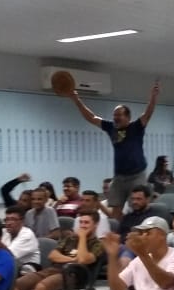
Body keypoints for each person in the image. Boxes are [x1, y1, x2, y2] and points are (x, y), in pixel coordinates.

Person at [67, 79, 161, 219]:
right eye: (114, 115)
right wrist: (76, 99)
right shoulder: (111, 127)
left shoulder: (136, 127)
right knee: (115, 211)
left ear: (128, 117)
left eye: (119, 115)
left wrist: (153, 97)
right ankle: (118, 230)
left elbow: (148, 113)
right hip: (119, 176)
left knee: (137, 208)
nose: (115, 118)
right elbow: (91, 117)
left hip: (137, 175)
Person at [1, 205, 40, 272]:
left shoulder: (27, 235)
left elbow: (8, 256)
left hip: (27, 271)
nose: (8, 223)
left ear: (22, 221)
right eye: (7, 219)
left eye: (13, 219)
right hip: (11, 268)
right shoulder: (5, 232)